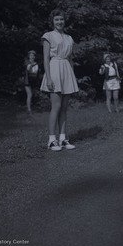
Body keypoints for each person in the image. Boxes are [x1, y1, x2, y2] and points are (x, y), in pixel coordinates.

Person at [40, 9, 79, 151]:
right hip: (54, 68)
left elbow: (70, 59)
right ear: (52, 21)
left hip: (66, 70)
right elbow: (45, 58)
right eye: (56, 19)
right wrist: (49, 78)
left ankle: (63, 139)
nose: (59, 22)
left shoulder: (69, 38)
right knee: (55, 107)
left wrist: (72, 77)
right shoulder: (48, 36)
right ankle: (51, 140)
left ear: (64, 21)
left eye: (61, 19)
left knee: (64, 108)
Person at [24, 50, 40, 115]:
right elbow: (28, 69)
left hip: (33, 81)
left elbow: (37, 73)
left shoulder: (36, 64)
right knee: (29, 95)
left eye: (33, 55)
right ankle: (29, 110)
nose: (32, 57)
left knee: (31, 95)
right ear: (29, 56)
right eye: (31, 55)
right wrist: (32, 64)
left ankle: (29, 107)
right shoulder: (27, 63)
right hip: (27, 81)